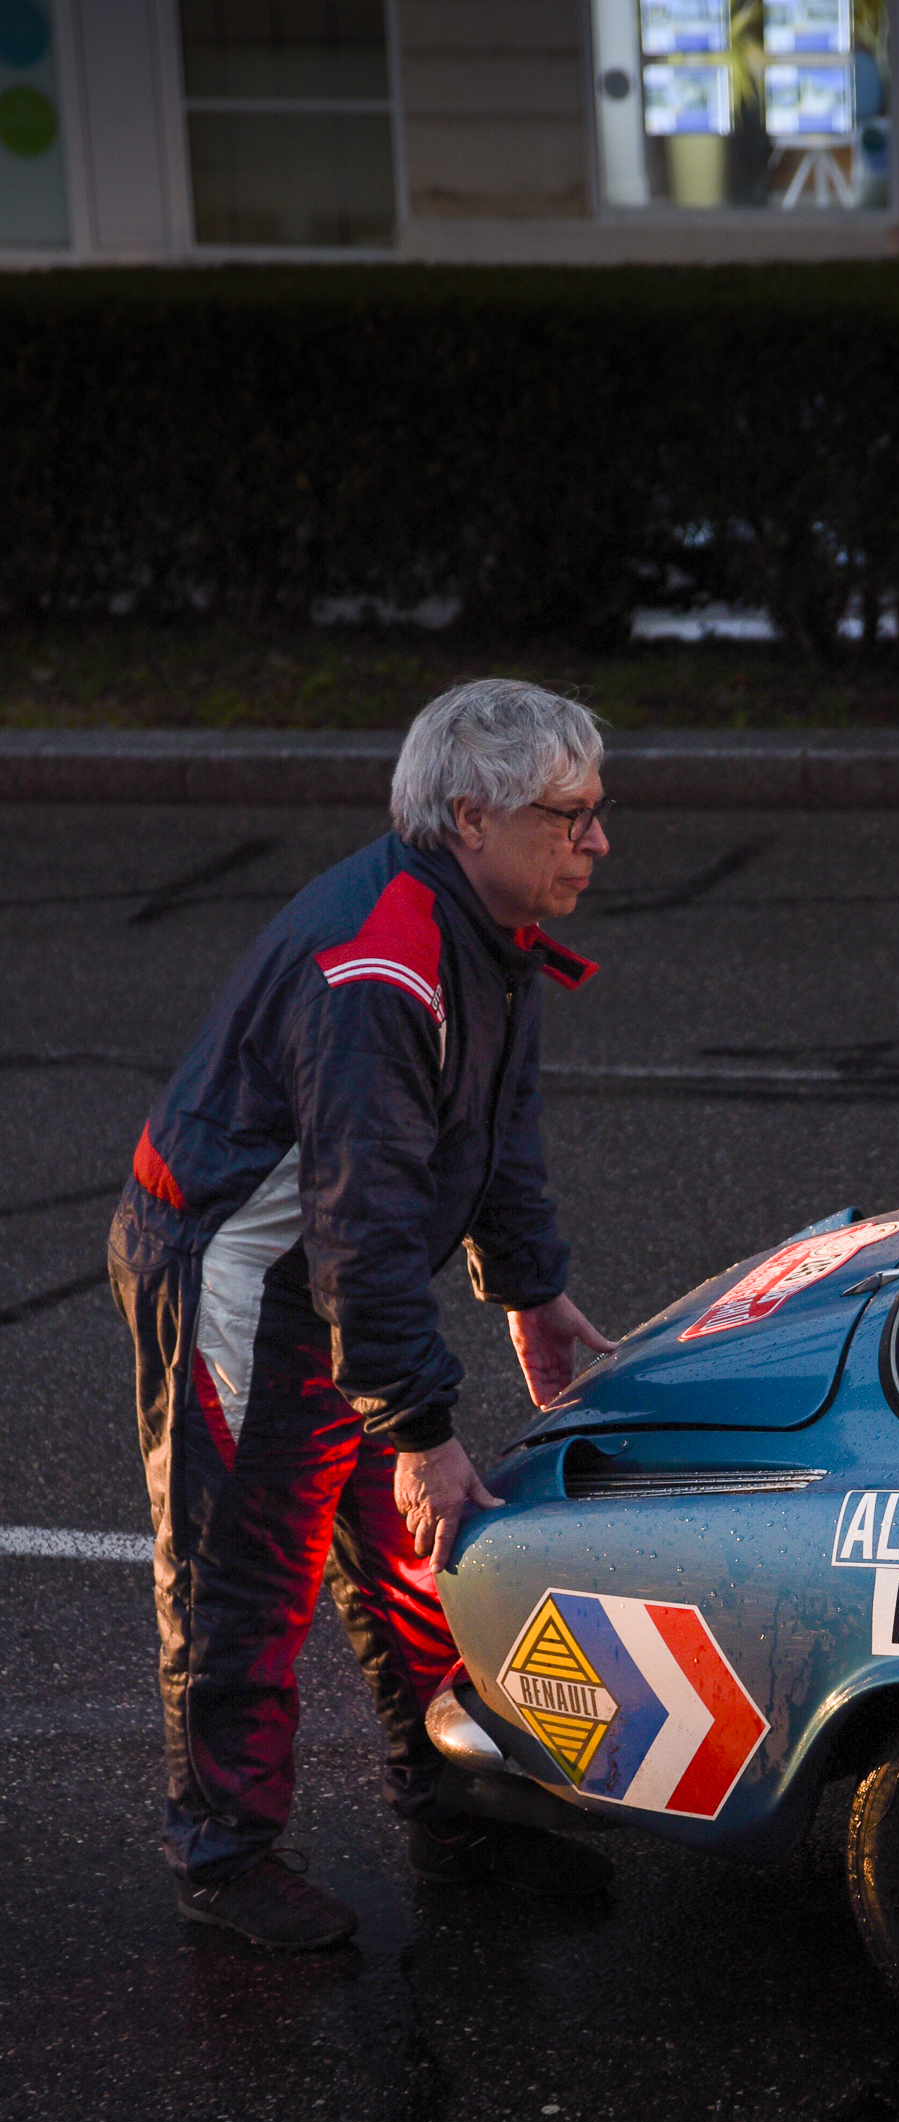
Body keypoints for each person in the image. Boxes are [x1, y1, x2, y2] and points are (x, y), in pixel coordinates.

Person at [107, 679, 621, 1953]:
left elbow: (493, 1130)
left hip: (326, 1272)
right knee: (246, 1569)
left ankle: (450, 1811)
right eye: (569, 816)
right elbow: (365, 1222)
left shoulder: (490, 927)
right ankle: (223, 1855)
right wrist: (418, 1428)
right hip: (236, 1277)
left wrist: (531, 1287)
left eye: (596, 811)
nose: (598, 842)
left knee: (408, 1560)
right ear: (470, 816)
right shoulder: (380, 968)